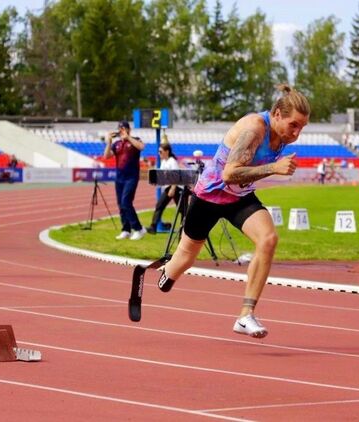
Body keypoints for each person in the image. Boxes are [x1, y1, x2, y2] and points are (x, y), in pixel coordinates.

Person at [157, 84, 309, 338]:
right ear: (277, 114)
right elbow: (229, 174)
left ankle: (245, 315)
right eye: (293, 125)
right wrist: (274, 168)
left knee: (268, 239)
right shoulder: (254, 128)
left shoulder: (281, 135)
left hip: (240, 198)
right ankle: (167, 271)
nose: (296, 133)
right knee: (184, 258)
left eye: (302, 127)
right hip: (210, 197)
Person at [103, 120, 147, 240]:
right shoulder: (117, 144)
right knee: (121, 204)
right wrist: (109, 142)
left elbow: (142, 147)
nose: (121, 131)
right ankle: (126, 229)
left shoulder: (135, 140)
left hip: (131, 177)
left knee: (126, 202)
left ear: (128, 129)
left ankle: (139, 229)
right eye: (120, 129)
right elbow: (106, 156)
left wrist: (128, 137)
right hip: (119, 177)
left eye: (124, 128)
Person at [146, 143, 184, 234]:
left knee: (182, 210)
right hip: (169, 187)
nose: (159, 153)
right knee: (159, 205)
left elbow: (176, 176)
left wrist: (173, 188)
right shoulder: (164, 162)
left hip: (176, 187)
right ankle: (153, 227)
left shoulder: (172, 161)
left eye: (160, 151)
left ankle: (183, 229)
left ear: (167, 151)